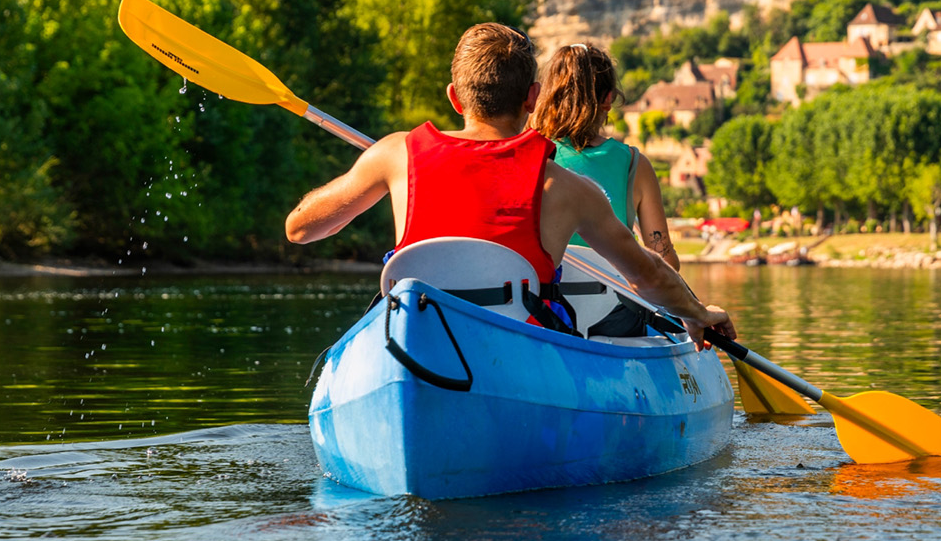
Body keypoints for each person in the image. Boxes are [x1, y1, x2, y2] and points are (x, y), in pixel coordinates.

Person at [284, 23, 734, 347]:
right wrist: (697, 313)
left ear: (455, 97)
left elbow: (300, 228)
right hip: (523, 351)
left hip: (421, 341)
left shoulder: (395, 154)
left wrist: (371, 168)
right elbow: (648, 273)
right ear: (531, 98)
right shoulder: (569, 188)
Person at [531, 43, 678, 269]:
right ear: (608, 99)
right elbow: (666, 264)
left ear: (548, 95)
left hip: (551, 296)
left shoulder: (530, 156)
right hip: (612, 299)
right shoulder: (633, 164)